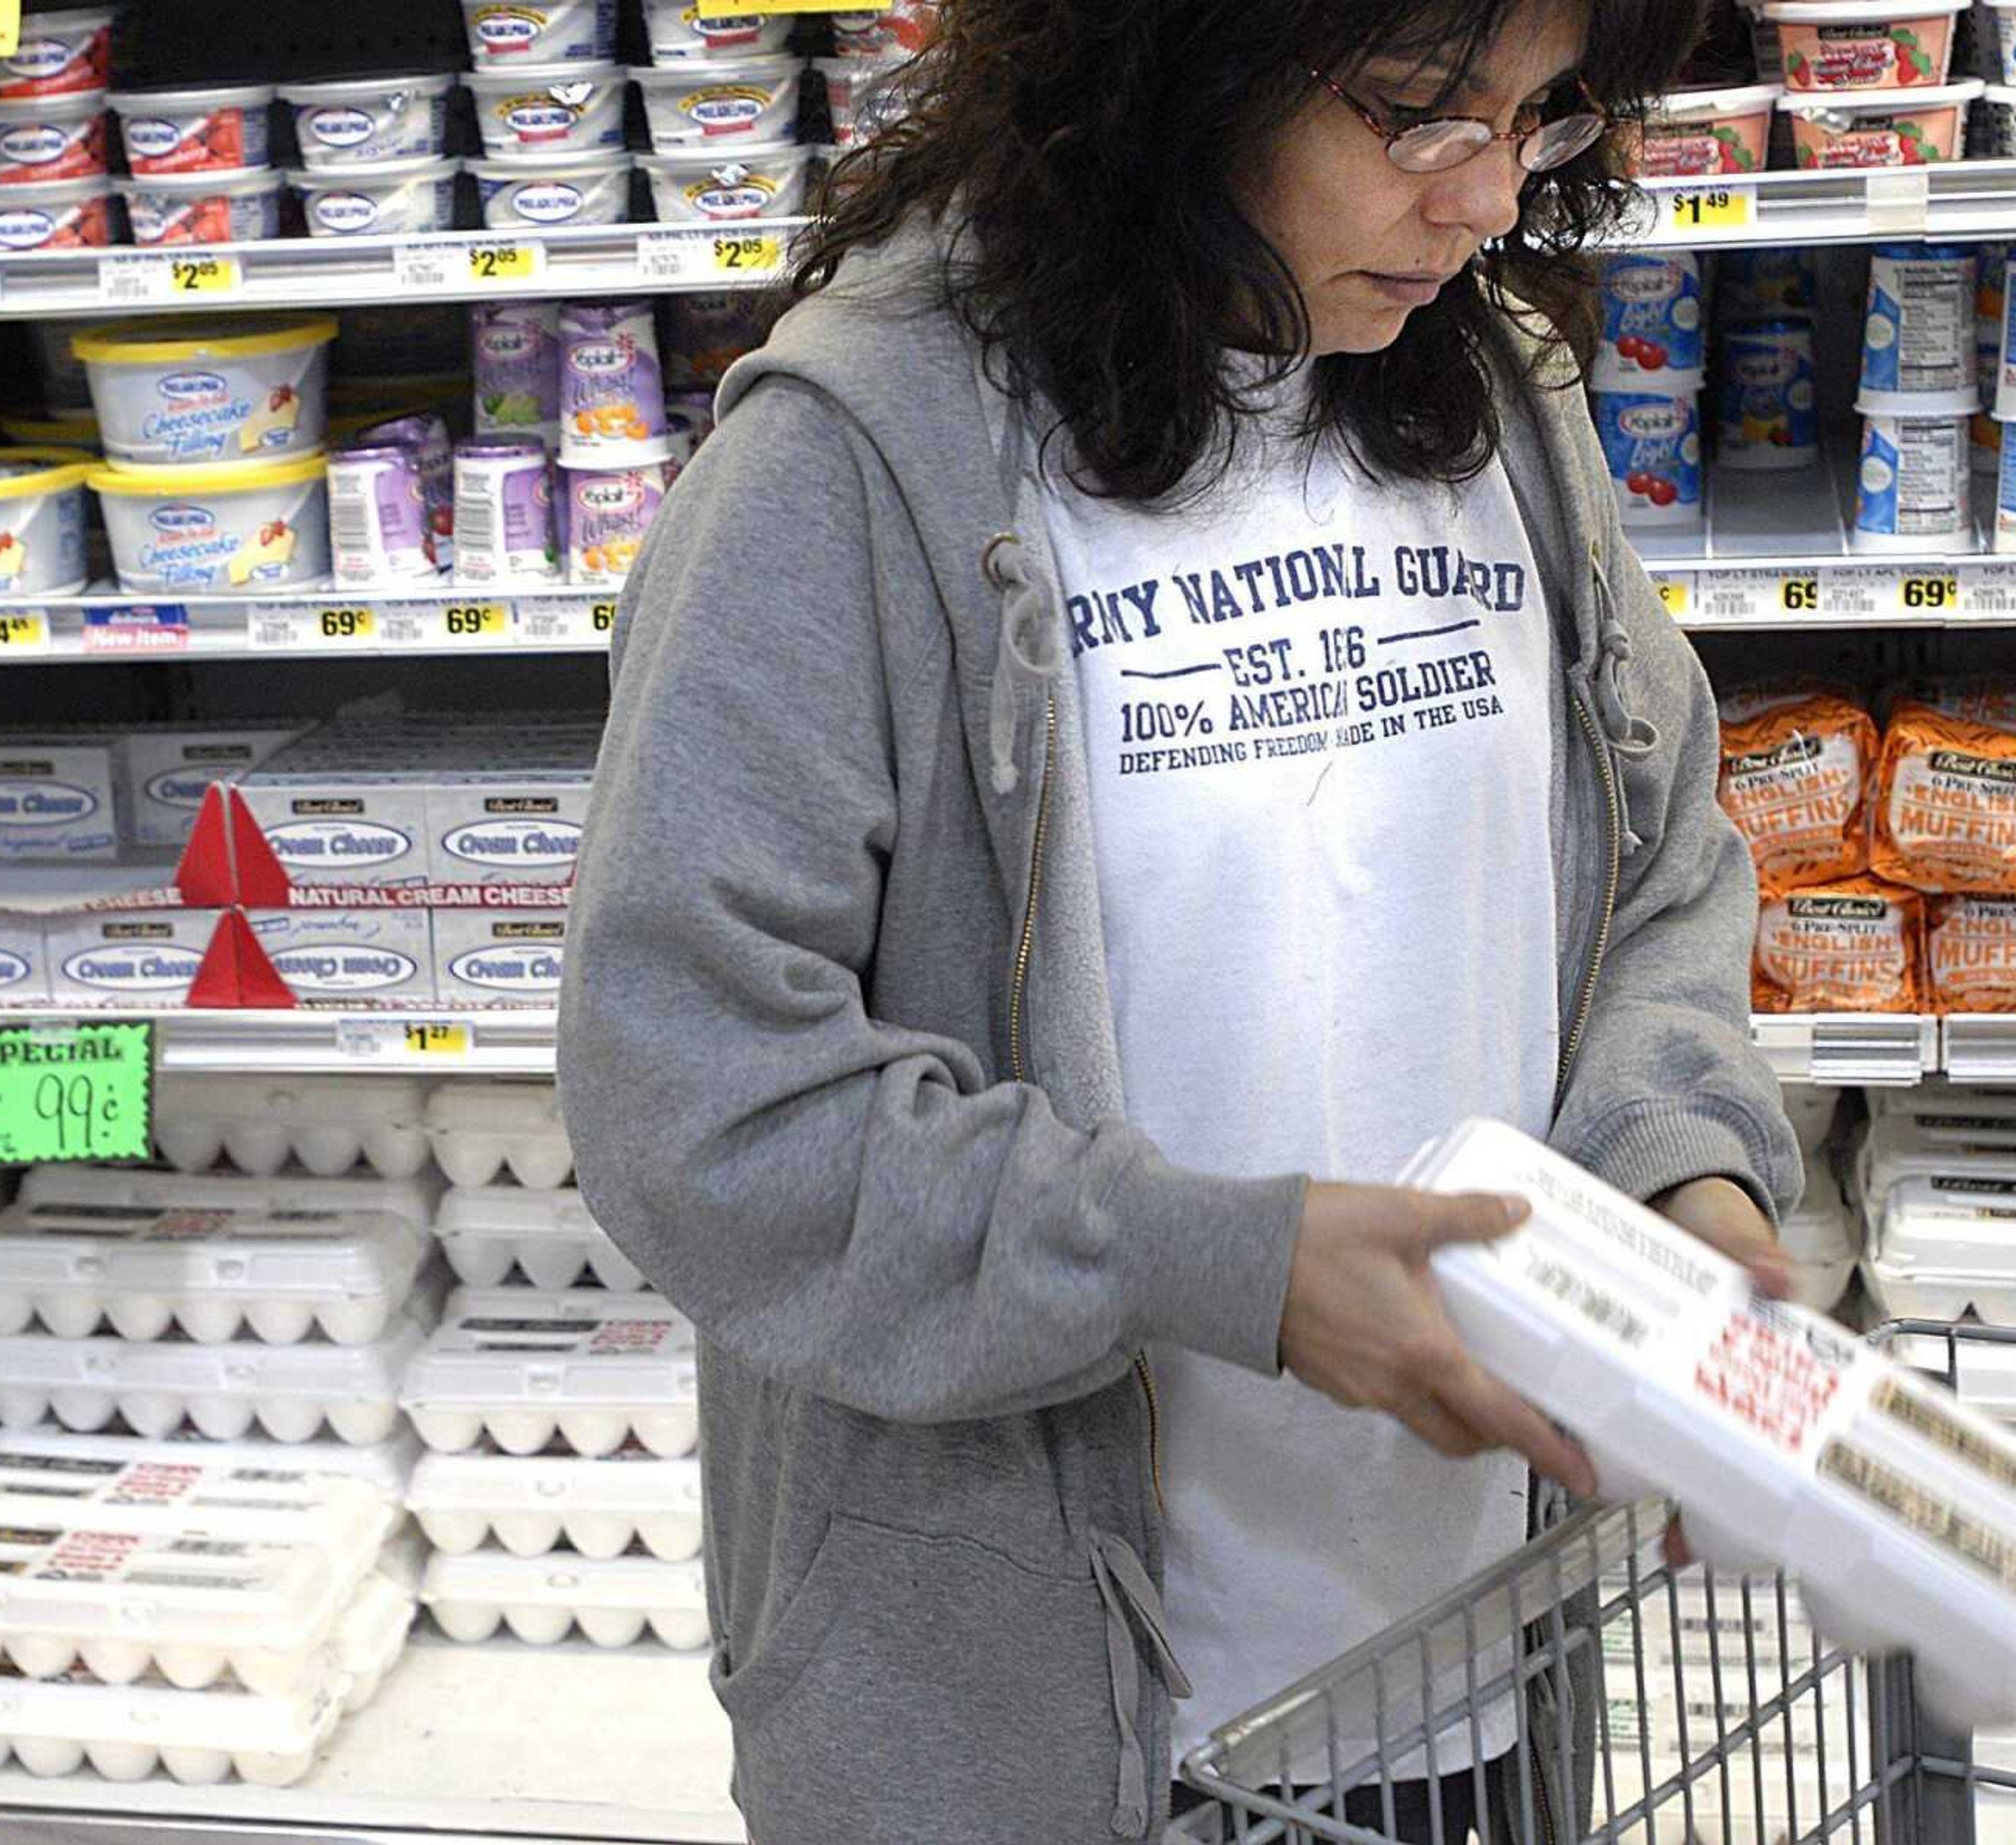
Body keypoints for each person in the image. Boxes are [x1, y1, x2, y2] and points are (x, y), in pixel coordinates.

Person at [558, 0, 1806, 1838]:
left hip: (1470, 1657)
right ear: (1180, 65)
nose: (1477, 199)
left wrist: (1681, 1174)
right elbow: (698, 1099)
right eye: (1410, 115)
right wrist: (1235, 1268)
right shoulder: (854, 463)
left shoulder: (1495, 412)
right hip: (1032, 1724)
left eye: (1536, 120)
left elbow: (1657, 870)